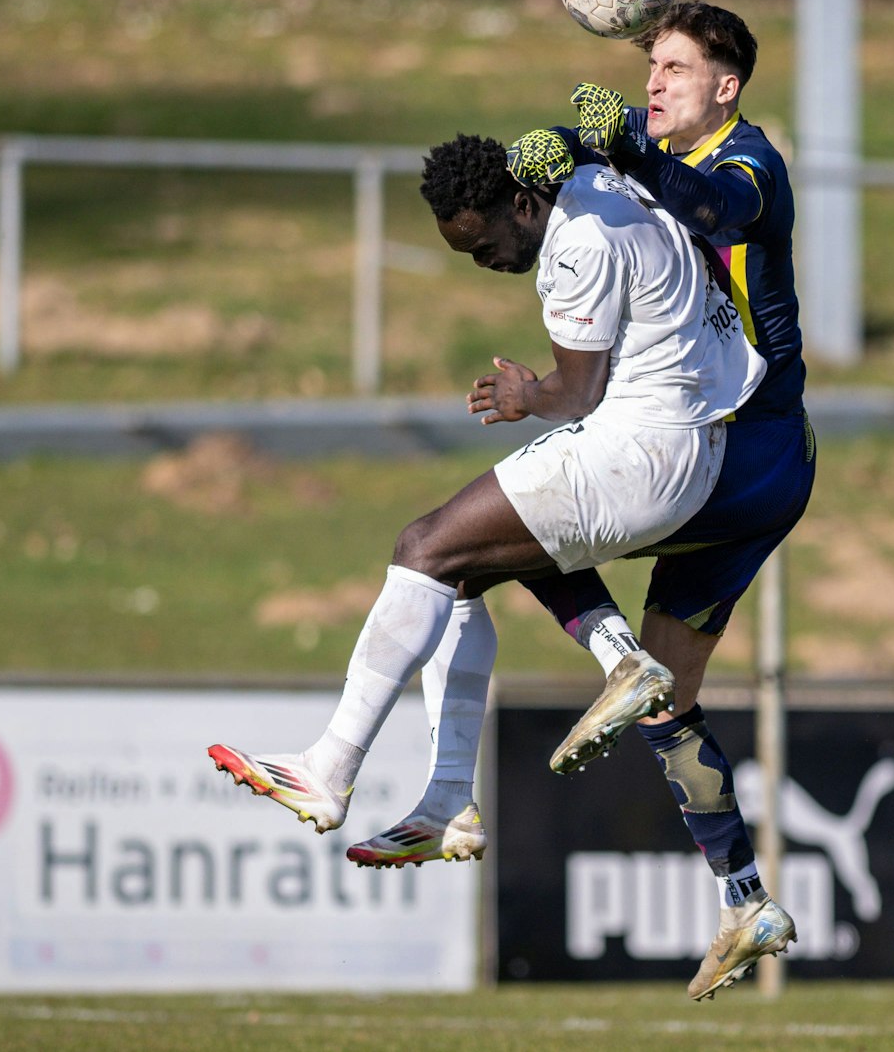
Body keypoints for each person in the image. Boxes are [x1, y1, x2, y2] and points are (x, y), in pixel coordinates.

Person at [353, 1, 812, 1002]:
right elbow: (594, 147)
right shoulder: (650, 143)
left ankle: (489, 754)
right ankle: (744, 898)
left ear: (725, 86)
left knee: (508, 531)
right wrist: (558, 141)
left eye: (675, 68)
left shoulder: (748, 163)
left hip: (746, 447)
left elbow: (715, 212)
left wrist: (621, 148)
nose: (655, 82)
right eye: (651, 66)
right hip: (745, 462)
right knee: (667, 704)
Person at [207, 131, 765, 883]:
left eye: (483, 245)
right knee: (467, 569)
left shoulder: (577, 246)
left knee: (423, 547)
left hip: (641, 454)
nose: (485, 263)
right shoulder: (598, 184)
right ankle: (452, 799)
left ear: (524, 203)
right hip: (687, 446)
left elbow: (577, 394)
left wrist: (523, 395)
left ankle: (328, 768)